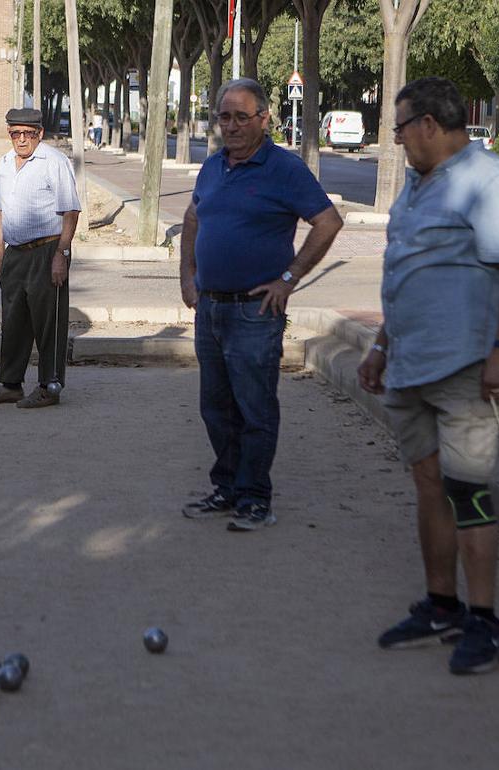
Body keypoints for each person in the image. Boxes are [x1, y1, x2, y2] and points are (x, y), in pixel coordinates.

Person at [357, 77, 499, 674]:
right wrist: (381, 344)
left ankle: (484, 620)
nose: (398, 138)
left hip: (465, 366)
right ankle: (442, 605)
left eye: (401, 126)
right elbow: (407, 271)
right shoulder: (416, 182)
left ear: (430, 124)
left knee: (469, 491)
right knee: (429, 484)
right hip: (409, 362)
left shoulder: (490, 183)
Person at [179, 78, 343, 532]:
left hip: (256, 312)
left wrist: (289, 279)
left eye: (240, 116)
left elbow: (328, 222)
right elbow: (193, 217)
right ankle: (227, 487)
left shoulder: (284, 168)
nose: (230, 126)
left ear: (264, 118)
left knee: (254, 408)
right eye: (223, 116)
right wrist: (186, 277)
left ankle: (254, 497)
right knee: (215, 407)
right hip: (210, 308)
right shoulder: (213, 166)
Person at [0, 108, 81, 409]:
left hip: (46, 251)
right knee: (14, 321)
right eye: (14, 133)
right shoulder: (5, 163)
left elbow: (71, 212)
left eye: (27, 134)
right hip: (15, 253)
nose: (21, 140)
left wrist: (62, 254)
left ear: (39, 134)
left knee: (48, 323)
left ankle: (50, 385)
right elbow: (1, 209)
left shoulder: (54, 162)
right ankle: (10, 384)